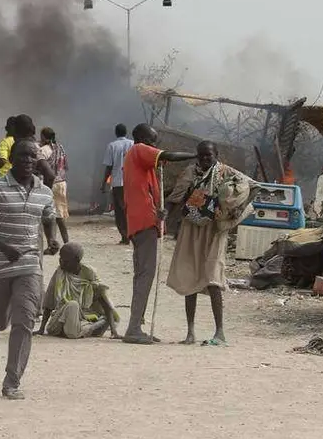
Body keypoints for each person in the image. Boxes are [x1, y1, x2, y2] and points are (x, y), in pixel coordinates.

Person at [0, 139, 60, 400]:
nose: (28, 161)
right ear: (11, 157)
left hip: (30, 265)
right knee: (1, 321)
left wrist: (52, 239)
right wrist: (1, 245)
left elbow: (49, 216)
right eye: (22, 156)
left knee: (24, 320)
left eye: (33, 157)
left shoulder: (44, 191)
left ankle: (12, 381)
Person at [164, 141, 261, 346]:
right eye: (202, 155)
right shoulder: (190, 172)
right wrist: (164, 217)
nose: (205, 159)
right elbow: (176, 197)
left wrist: (237, 209)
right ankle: (190, 332)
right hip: (191, 228)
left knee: (213, 277)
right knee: (189, 276)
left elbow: (254, 187)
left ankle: (220, 332)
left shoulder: (226, 172)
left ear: (216, 155)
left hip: (215, 231)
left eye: (209, 155)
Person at [121, 123, 197, 345]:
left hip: (144, 221)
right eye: (152, 141)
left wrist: (159, 210)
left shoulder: (142, 164)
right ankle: (134, 328)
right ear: (142, 139)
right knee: (145, 275)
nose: (155, 145)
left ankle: (137, 324)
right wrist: (195, 154)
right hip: (143, 223)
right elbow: (169, 156)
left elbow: (148, 192)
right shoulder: (138, 150)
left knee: (142, 275)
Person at [35, 242, 119, 339]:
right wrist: (41, 329)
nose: (61, 262)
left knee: (105, 318)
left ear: (76, 261)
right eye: (60, 258)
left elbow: (104, 302)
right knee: (73, 305)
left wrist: (114, 331)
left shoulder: (89, 275)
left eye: (65, 261)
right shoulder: (59, 273)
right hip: (59, 321)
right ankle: (81, 331)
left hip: (82, 318)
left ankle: (79, 329)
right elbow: (49, 303)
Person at [101, 124, 134, 244]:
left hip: (118, 182)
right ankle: (132, 234)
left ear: (116, 133)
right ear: (126, 132)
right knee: (130, 209)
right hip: (132, 182)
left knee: (120, 211)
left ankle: (125, 236)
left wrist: (104, 182)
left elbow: (109, 167)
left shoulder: (112, 146)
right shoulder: (133, 144)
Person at [38, 127, 70, 244]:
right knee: (60, 215)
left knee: (49, 215)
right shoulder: (60, 147)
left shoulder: (44, 150)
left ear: (43, 137)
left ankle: (51, 243)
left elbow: (40, 166)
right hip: (62, 183)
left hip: (50, 183)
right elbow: (66, 165)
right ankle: (66, 242)